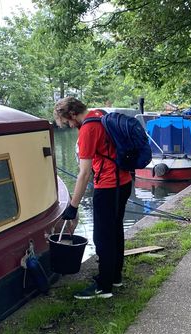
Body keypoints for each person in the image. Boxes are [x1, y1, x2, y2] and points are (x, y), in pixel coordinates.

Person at [54, 96, 132, 299]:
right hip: (123, 182)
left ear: (72, 114)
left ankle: (103, 287)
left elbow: (84, 173)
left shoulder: (88, 129)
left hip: (107, 187)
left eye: (69, 122)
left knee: (102, 237)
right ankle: (115, 277)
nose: (71, 126)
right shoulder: (100, 115)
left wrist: (73, 205)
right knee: (115, 231)